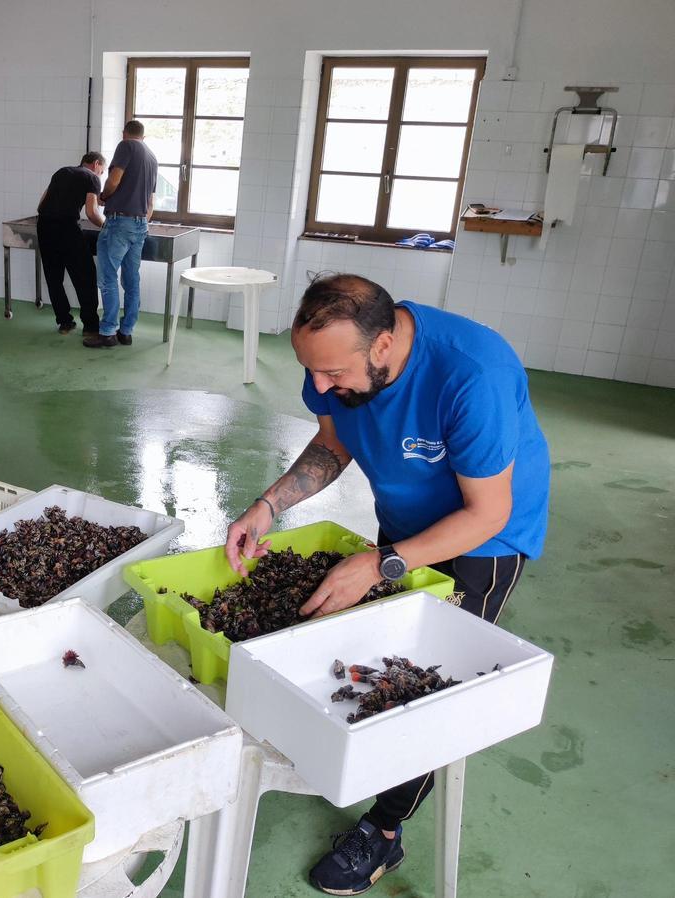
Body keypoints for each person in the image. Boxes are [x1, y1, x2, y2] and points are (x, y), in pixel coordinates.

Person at [225, 274, 550, 897]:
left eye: (330, 374)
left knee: (431, 683)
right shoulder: (333, 360)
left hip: (485, 538)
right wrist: (268, 506)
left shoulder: (471, 374)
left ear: (382, 346)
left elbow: (487, 514)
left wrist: (380, 563)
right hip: (403, 524)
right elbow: (331, 444)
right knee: (381, 654)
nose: (318, 386)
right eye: (309, 371)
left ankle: (385, 830)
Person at [85, 120, 156, 349]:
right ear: (143, 136)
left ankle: (107, 333)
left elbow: (114, 179)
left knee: (107, 278)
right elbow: (150, 202)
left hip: (119, 222)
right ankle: (126, 332)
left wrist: (103, 196)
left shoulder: (126, 146)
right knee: (131, 280)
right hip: (140, 224)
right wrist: (140, 220)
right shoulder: (152, 157)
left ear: (125, 133)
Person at [36, 151, 105, 335]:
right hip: (66, 227)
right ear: (96, 164)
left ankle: (65, 322)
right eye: (102, 171)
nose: (101, 175)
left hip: (44, 225)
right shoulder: (92, 177)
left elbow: (41, 204)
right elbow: (92, 212)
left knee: (54, 277)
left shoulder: (61, 171)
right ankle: (90, 327)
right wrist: (107, 226)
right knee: (85, 277)